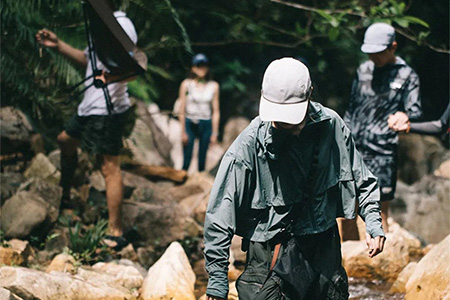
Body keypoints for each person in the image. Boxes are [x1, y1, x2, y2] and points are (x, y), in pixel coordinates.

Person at [204, 58, 385, 300]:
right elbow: (220, 213)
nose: (282, 123)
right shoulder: (249, 144)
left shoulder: (332, 127)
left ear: (310, 93)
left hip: (322, 247)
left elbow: (362, 178)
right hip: (269, 251)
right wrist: (217, 282)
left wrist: (373, 223)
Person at [35, 0, 136, 250]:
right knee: (64, 140)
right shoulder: (102, 26)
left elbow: (133, 69)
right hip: (90, 106)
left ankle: (116, 231)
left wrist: (110, 78)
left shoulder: (121, 25)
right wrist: (57, 46)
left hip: (108, 108)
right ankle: (66, 197)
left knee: (109, 167)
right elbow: (88, 62)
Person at [344, 23, 422, 234]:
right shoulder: (363, 71)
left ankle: (381, 263)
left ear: (393, 47)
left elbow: (414, 111)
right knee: (348, 208)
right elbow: (351, 108)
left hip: (383, 151)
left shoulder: (406, 75)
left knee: (378, 209)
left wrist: (404, 116)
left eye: (378, 53)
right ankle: (345, 261)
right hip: (354, 148)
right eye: (370, 53)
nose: (374, 58)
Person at [178, 53, 220, 172]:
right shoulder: (186, 85)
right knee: (187, 157)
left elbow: (216, 111)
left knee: (202, 158)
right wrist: (182, 132)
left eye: (204, 66)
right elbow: (182, 108)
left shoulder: (213, 86)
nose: (202, 69)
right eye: (199, 66)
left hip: (205, 122)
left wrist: (215, 133)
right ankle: (181, 179)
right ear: (193, 67)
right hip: (190, 121)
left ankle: (199, 183)